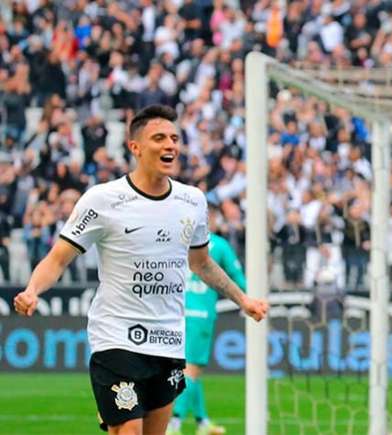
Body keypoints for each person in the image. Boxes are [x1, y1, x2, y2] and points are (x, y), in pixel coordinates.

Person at [13, 104, 269, 435]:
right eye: (159, 138)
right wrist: (33, 289)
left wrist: (243, 299)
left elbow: (202, 263)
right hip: (116, 338)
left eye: (174, 138)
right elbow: (59, 257)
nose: (170, 146)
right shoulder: (103, 200)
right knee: (128, 431)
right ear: (135, 147)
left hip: (168, 340)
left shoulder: (192, 201)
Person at [168, 207, 246, 435]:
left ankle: (202, 422)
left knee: (188, 370)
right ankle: (174, 422)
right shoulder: (219, 245)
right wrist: (252, 299)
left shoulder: (178, 242)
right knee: (191, 370)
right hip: (200, 315)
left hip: (176, 312)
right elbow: (237, 276)